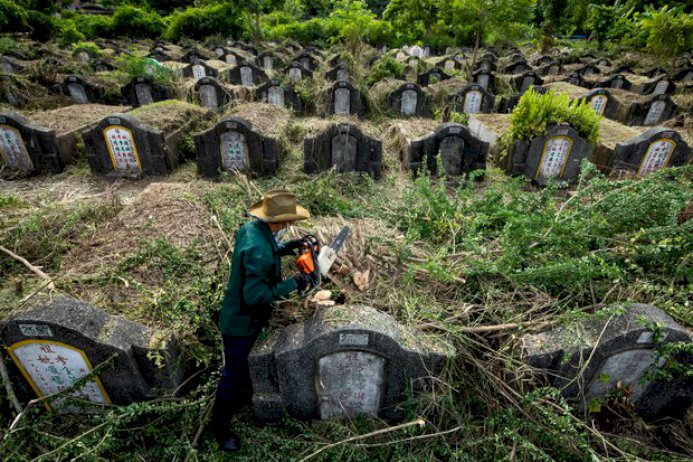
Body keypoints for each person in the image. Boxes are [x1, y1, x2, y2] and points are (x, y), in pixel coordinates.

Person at [210, 189, 312, 452]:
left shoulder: (251, 229)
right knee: (231, 374)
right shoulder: (259, 249)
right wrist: (293, 283)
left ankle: (239, 396)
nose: (291, 225)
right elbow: (255, 295)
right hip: (241, 323)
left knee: (238, 369)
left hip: (237, 311)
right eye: (289, 222)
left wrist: (285, 249)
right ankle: (220, 429)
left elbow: (263, 250)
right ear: (282, 221)